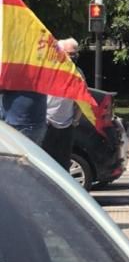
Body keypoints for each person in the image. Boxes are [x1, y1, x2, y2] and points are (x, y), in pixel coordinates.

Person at [41, 39, 82, 170]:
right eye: (70, 53)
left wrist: (75, 120)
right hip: (47, 123)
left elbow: (82, 99)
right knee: (46, 164)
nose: (73, 57)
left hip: (67, 126)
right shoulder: (48, 70)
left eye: (75, 54)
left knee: (63, 165)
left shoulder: (78, 74)